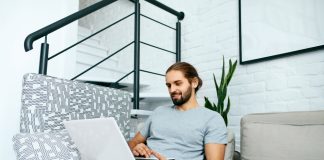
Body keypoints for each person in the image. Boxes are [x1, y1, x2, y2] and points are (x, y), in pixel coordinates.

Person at [128, 62, 227, 160]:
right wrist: (135, 148)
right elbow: (131, 143)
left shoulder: (212, 119)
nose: (172, 90)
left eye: (178, 83)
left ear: (194, 83)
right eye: (168, 85)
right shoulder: (159, 112)